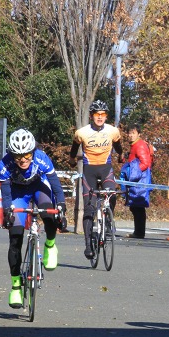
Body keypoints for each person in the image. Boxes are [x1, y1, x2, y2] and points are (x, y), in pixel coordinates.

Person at [0, 129, 67, 308]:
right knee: (15, 237)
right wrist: (7, 211)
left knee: (49, 213)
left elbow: (55, 185)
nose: (23, 160)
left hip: (39, 187)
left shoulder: (41, 158)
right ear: (11, 154)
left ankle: (50, 245)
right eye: (18, 156)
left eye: (27, 155)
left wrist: (61, 205)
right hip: (17, 193)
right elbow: (6, 194)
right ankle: (15, 287)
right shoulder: (4, 164)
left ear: (33, 151)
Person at [69, 100, 123, 259]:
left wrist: (121, 156)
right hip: (89, 172)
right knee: (89, 208)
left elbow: (118, 147)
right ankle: (87, 245)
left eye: (103, 114)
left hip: (105, 170)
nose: (100, 117)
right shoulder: (82, 132)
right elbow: (74, 149)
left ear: (106, 116)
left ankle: (107, 222)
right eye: (97, 114)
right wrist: (72, 159)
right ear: (92, 116)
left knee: (112, 194)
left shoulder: (113, 131)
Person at [120, 124, 153, 239]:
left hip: (139, 180)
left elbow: (146, 163)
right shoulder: (134, 145)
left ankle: (139, 233)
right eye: (129, 133)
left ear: (138, 134)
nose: (130, 135)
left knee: (138, 206)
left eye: (133, 133)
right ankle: (138, 232)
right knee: (135, 206)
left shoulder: (140, 145)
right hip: (137, 179)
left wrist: (132, 175)